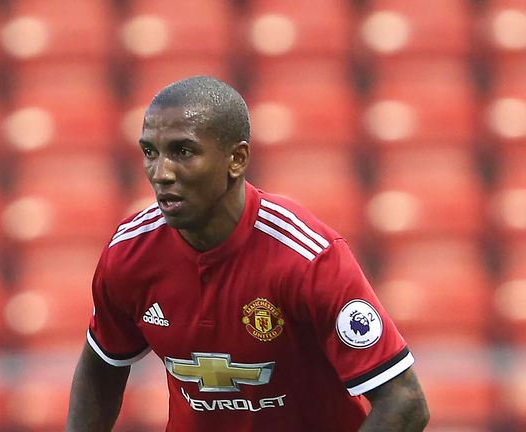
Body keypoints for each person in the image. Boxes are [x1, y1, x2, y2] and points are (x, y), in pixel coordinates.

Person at [66, 76, 429, 431]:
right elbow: (102, 367)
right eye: (150, 152)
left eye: (183, 151)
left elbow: (404, 401)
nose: (161, 173)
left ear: (237, 159)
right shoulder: (130, 252)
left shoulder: (306, 257)